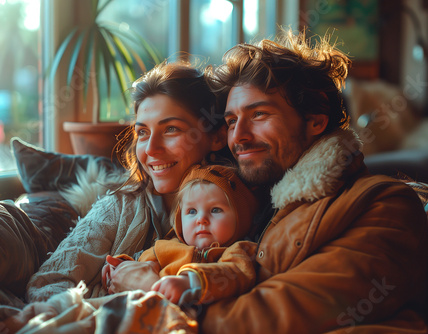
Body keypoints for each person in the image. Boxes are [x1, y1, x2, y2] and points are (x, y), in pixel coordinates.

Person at [108, 30, 428, 333]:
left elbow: (271, 317)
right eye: (232, 121)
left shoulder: (385, 206)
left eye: (259, 114)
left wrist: (152, 291)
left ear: (316, 120)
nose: (240, 136)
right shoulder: (243, 204)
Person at [25, 60, 230, 302]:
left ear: (216, 137)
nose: (151, 149)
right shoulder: (119, 206)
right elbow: (46, 285)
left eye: (171, 129)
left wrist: (151, 287)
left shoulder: (236, 210)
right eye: (142, 132)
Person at [102, 164, 259, 305]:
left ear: (241, 218)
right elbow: (142, 263)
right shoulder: (167, 246)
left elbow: (236, 273)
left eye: (215, 210)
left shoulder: (239, 250)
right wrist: (120, 266)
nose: (201, 220)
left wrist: (190, 283)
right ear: (179, 220)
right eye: (192, 211)